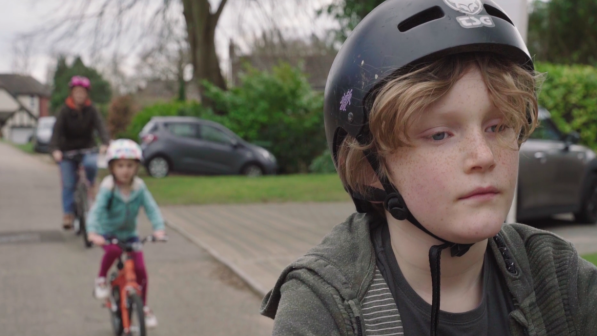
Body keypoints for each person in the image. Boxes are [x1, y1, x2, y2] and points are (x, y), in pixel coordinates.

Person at [261, 0, 597, 335]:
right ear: (368, 166)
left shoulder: (558, 277)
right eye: (439, 135)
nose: (484, 156)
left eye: (497, 127)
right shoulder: (324, 308)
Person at [86, 139, 166, 328]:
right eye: (120, 165)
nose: (125, 170)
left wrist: (159, 229)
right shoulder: (108, 187)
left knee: (140, 270)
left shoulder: (139, 187)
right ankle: (101, 279)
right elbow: (96, 211)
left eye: (130, 165)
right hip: (108, 233)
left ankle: (144, 307)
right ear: (112, 167)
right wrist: (92, 232)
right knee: (113, 251)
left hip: (130, 235)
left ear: (136, 167)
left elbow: (151, 208)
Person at [50, 76, 110, 229]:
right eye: (77, 92)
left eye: (82, 93)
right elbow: (56, 132)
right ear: (72, 93)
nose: (80, 95)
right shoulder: (64, 110)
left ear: (86, 94)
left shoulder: (91, 109)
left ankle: (90, 185)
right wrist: (55, 149)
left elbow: (101, 126)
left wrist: (105, 143)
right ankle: (68, 214)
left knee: (91, 164)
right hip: (67, 151)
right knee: (68, 183)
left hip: (87, 148)